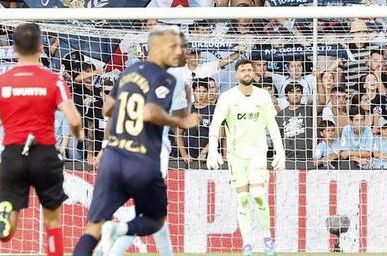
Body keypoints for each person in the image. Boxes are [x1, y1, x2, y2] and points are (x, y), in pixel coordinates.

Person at [75, 27, 202, 256]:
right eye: (177, 47)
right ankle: (118, 231)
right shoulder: (169, 78)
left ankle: (112, 241)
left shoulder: (129, 71)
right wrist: (182, 120)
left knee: (93, 227)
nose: (181, 52)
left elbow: (107, 109)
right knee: (154, 217)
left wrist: (105, 146)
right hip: (146, 155)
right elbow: (153, 113)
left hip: (114, 154)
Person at [0, 21, 84, 256]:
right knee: (52, 219)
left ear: (13, 49)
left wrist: (5, 117)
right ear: (41, 48)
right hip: (44, 153)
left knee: (7, 228)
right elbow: (74, 120)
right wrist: (78, 135)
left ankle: (6, 211)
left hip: (13, 155)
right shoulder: (54, 80)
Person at [206, 58, 285, 256]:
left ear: (254, 72)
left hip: (258, 154)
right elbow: (215, 124)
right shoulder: (227, 97)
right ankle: (247, 244)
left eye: (250, 69)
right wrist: (213, 150)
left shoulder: (263, 96)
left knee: (258, 195)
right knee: (242, 198)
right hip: (236, 156)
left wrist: (280, 151)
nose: (247, 73)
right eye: (243, 70)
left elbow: (272, 125)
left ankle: (267, 238)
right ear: (237, 74)